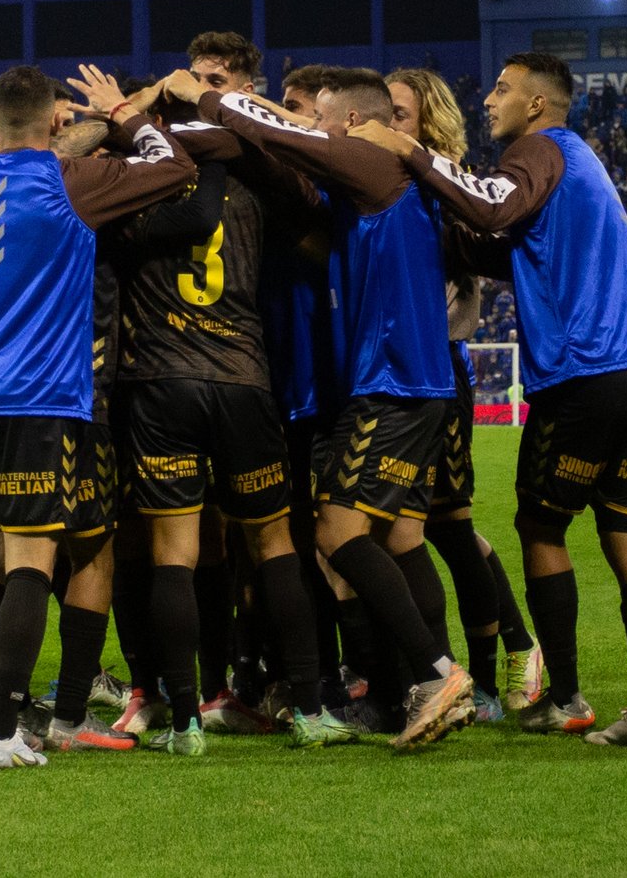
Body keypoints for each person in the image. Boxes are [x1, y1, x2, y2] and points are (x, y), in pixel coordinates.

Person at [350, 51, 627, 748]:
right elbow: (504, 249)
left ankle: (563, 695)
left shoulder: (539, 149)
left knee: (541, 530)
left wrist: (407, 150)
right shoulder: (578, 163)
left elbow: (492, 203)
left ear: (536, 104)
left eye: (501, 89)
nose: (489, 98)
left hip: (585, 371)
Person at [0, 65, 191, 768]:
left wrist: (22, 139)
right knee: (32, 565)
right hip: (39, 400)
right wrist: (121, 112)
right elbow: (173, 165)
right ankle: (1, 734)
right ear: (58, 124)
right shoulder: (72, 183)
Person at [182, 66, 475, 750]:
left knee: (337, 535)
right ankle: (419, 687)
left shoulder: (369, 163)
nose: (311, 129)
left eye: (319, 120)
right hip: (413, 389)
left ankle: (438, 675)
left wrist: (201, 98)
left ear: (346, 125)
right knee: (398, 539)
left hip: (393, 389)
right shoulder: (380, 188)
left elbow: (272, 134)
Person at [110, 88, 359, 753]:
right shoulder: (251, 196)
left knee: (175, 554)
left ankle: (187, 722)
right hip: (244, 382)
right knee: (274, 544)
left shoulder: (135, 194)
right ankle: (308, 709)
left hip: (161, 386)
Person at [384, 65, 543, 720]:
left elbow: (498, 248)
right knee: (428, 531)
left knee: (441, 530)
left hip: (438, 371)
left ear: (428, 122)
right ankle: (484, 661)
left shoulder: (444, 184)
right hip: (398, 372)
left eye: (399, 113)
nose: (387, 123)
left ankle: (495, 658)